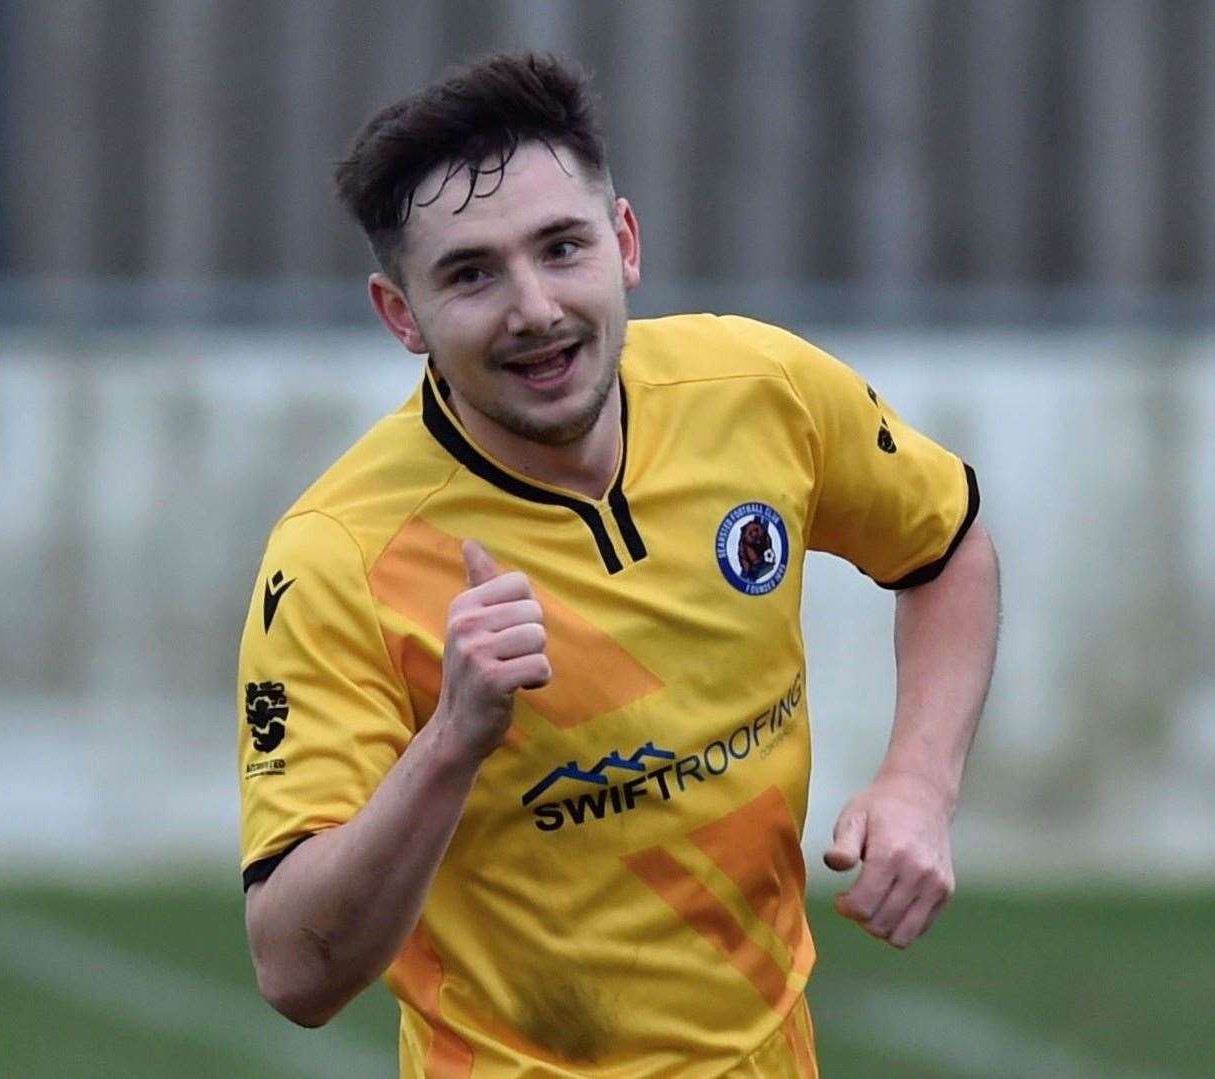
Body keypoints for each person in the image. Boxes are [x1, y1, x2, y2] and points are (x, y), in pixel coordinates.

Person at [238, 51, 1000, 1078]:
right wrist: (452, 741)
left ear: (624, 242)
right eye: (470, 273)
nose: (535, 308)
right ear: (400, 314)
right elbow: (295, 968)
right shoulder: (338, 557)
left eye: (560, 247)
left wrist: (918, 780)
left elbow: (944, 543)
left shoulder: (759, 389)